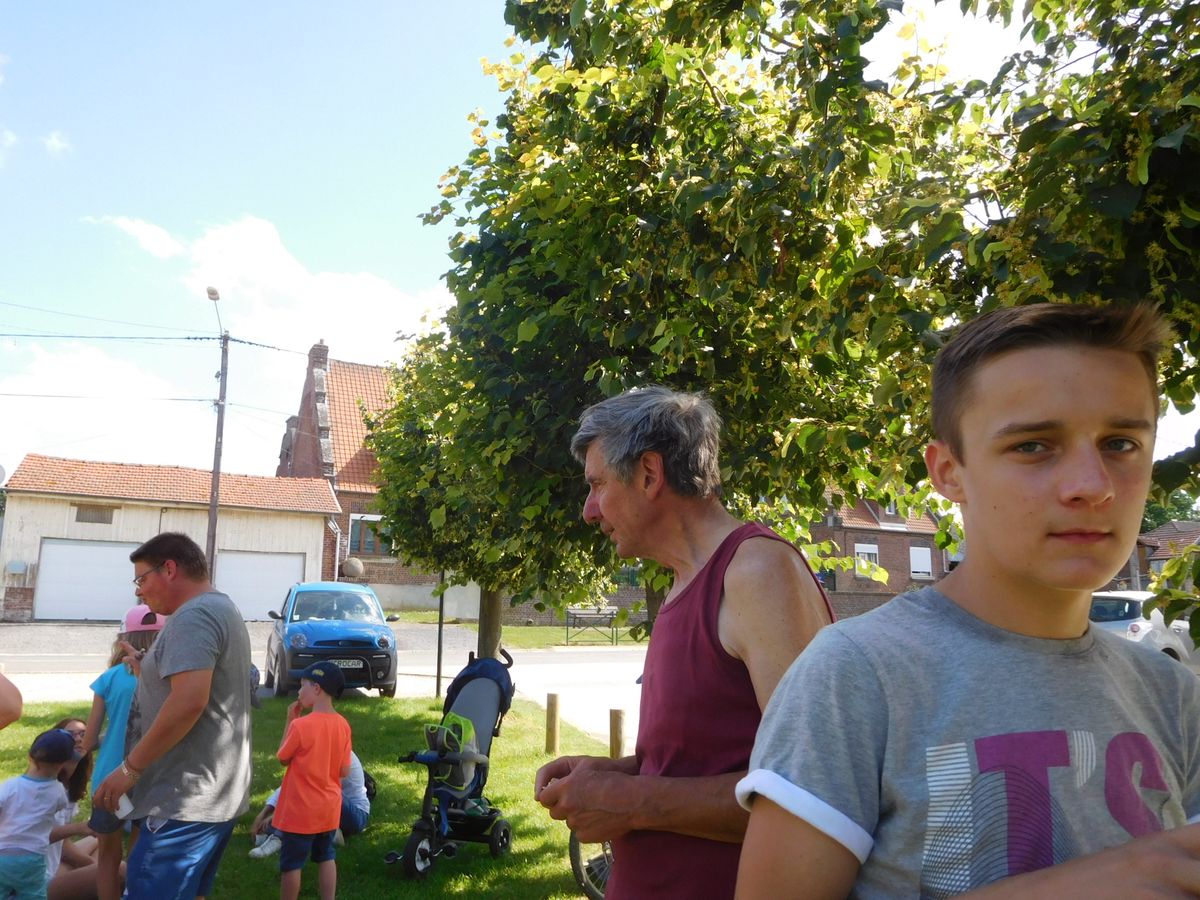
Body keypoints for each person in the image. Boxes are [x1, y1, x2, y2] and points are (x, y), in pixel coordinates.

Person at [734, 302, 1200, 898]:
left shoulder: (1172, 694)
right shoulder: (857, 675)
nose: (1092, 485)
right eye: (1033, 446)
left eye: (1120, 443)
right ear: (949, 471)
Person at [534, 386, 835, 899]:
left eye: (597, 484)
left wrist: (630, 800)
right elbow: (702, 761)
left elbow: (815, 789)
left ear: (649, 474)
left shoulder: (756, 573)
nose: (589, 511)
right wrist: (614, 775)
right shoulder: (684, 582)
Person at [92, 532, 252, 900]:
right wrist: (148, 668)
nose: (138, 592)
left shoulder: (194, 616)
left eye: (141, 579)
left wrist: (130, 769)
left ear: (169, 569)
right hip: (212, 797)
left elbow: (189, 701)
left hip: (182, 803)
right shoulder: (220, 607)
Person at [82, 604, 167, 900]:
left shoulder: (109, 678)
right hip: (148, 775)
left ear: (123, 639)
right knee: (138, 854)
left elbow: (89, 739)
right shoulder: (165, 678)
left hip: (108, 777)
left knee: (107, 856)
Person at [269, 661, 352, 900]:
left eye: (302, 685)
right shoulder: (343, 725)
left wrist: (290, 720)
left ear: (317, 688)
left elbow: (282, 757)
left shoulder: (300, 725)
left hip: (300, 811)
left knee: (292, 864)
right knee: (326, 857)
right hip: (328, 809)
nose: (298, 691)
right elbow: (344, 770)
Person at [0, 729, 80, 900]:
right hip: (33, 856)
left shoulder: (9, 786)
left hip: (3, 854)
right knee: (33, 893)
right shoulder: (58, 791)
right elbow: (60, 806)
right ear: (63, 763)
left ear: (30, 757)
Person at [247, 750, 372, 859]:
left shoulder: (338, 751)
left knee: (312, 794)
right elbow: (291, 783)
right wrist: (263, 814)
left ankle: (279, 836)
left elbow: (317, 789)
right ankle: (330, 833)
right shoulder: (316, 751)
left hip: (354, 815)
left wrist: (278, 816)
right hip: (328, 810)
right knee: (305, 794)